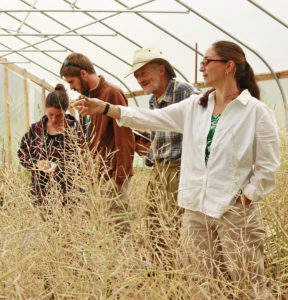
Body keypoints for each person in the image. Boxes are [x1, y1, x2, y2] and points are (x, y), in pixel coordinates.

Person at [72, 41, 280, 296]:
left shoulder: (256, 112)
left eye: (207, 61)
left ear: (229, 66)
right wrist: (105, 108)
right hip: (197, 210)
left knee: (246, 281)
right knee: (206, 281)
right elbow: (150, 119)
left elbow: (268, 165)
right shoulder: (197, 105)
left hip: (234, 210)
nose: (201, 67)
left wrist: (247, 196)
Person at [125, 48, 200, 261]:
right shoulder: (153, 100)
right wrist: (148, 152)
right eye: (137, 76)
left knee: (175, 227)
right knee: (156, 227)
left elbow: (206, 126)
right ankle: (163, 275)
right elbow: (162, 138)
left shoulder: (186, 92)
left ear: (161, 69)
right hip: (159, 171)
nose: (140, 80)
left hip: (179, 172)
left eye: (144, 73)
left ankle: (181, 274)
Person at [60, 53, 135, 232]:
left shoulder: (112, 93)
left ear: (84, 74)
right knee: (101, 231)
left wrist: (119, 178)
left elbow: (125, 136)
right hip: (96, 175)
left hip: (111, 175)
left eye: (72, 82)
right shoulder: (86, 98)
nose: (70, 87)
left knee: (119, 231)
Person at [18, 84, 84, 206]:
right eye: (50, 114)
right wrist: (36, 163)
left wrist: (60, 169)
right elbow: (22, 153)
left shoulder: (75, 129)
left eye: (59, 115)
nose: (54, 119)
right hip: (41, 192)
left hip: (70, 191)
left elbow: (84, 158)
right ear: (45, 109)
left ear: (66, 110)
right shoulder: (36, 129)